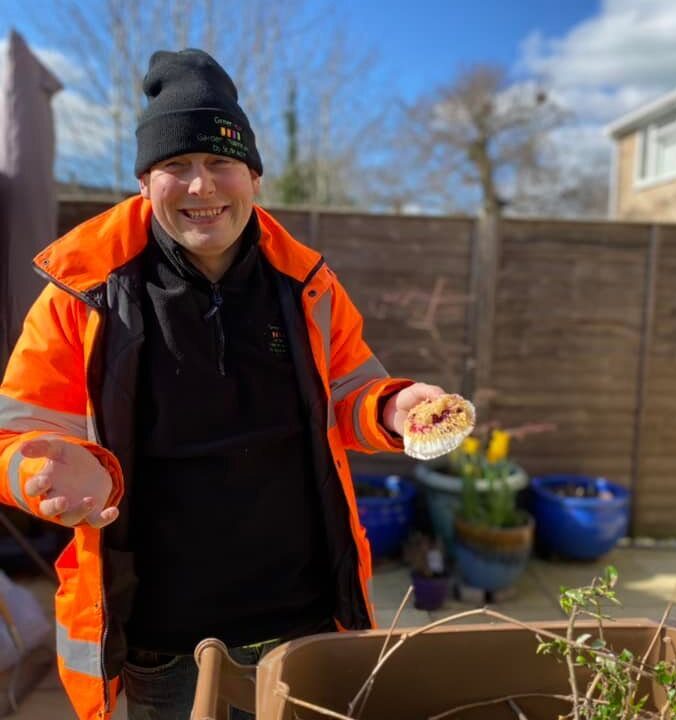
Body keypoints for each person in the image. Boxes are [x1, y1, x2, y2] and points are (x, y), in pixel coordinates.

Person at [0, 48, 445, 720]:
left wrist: (394, 407)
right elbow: (17, 431)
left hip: (304, 620)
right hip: (164, 639)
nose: (201, 187)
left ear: (254, 178)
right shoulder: (82, 296)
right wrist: (40, 470)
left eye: (220, 163)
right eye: (176, 166)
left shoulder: (307, 286)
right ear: (145, 182)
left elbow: (354, 394)